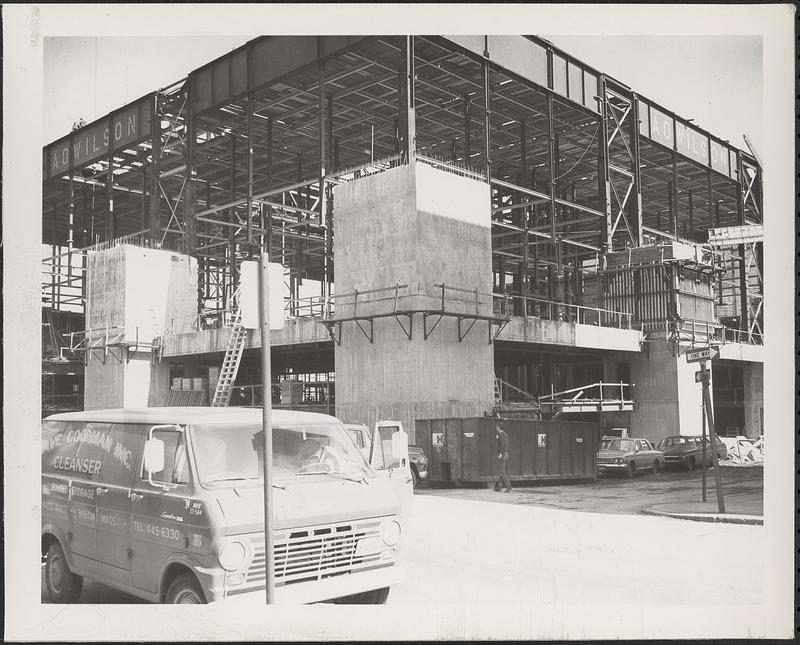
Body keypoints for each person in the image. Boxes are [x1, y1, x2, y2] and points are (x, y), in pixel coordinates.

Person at [494, 419, 512, 493]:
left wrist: (500, 453)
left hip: (502, 454)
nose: (496, 428)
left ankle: (508, 486)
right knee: (501, 470)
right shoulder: (504, 434)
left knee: (502, 471)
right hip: (504, 453)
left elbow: (502, 445)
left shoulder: (501, 434)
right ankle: (499, 487)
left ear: (498, 427)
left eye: (496, 427)